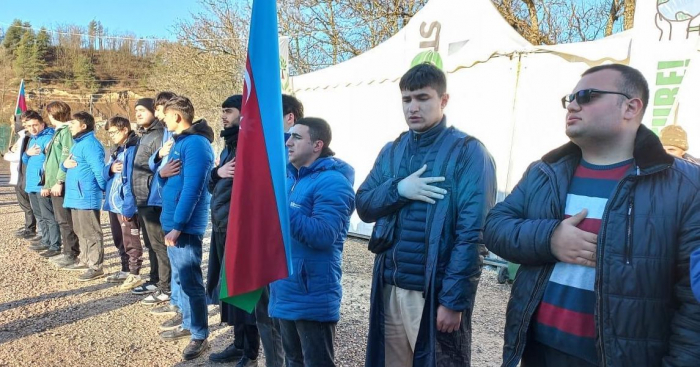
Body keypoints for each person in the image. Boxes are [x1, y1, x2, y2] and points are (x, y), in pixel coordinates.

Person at [484, 64, 700, 367]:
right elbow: (494, 227)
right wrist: (550, 239)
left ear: (630, 107)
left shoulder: (686, 186)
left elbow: (695, 306)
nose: (573, 104)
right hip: (539, 352)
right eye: (570, 98)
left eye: (587, 96)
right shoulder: (545, 172)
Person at [356, 63, 497, 367]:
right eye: (406, 100)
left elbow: (474, 233)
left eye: (422, 98)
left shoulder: (468, 152)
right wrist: (398, 190)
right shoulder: (392, 151)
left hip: (432, 294)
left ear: (443, 100)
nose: (413, 107)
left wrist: (454, 300)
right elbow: (364, 204)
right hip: (389, 286)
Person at [268, 117, 355, 367]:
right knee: (293, 360)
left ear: (317, 145)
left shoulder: (333, 182)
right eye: (289, 136)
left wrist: (281, 210)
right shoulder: (289, 179)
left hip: (312, 294)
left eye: (296, 137)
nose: (288, 142)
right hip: (284, 288)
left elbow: (324, 235)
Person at [156, 96, 215, 361]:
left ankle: (200, 335)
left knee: (191, 282)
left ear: (177, 117)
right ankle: (189, 323)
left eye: (166, 115)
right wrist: (160, 173)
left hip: (185, 227)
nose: (162, 119)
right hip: (171, 223)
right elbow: (165, 177)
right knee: (181, 278)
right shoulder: (179, 143)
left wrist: (178, 226)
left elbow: (193, 189)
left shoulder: (197, 145)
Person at [204, 95, 260, 367]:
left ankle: (250, 352)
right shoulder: (228, 145)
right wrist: (218, 172)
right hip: (222, 227)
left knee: (244, 290)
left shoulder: (249, 145)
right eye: (222, 110)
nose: (223, 115)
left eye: (228, 111)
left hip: (240, 230)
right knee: (230, 290)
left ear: (243, 113)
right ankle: (239, 344)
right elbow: (212, 185)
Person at [254, 94, 305, 367]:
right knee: (265, 313)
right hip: (262, 244)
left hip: (287, 253)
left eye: (272, 115)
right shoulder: (262, 149)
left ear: (289, 118)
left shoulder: (301, 155)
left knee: (288, 322)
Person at [130, 97, 172, 305]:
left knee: (159, 244)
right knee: (151, 243)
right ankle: (156, 279)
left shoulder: (158, 135)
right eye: (136, 110)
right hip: (142, 196)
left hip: (152, 197)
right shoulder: (144, 136)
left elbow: (160, 166)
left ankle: (166, 286)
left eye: (143, 110)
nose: (138, 113)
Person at [62, 111, 107, 281]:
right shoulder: (77, 143)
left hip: (86, 195)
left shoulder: (90, 144)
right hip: (75, 196)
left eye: (72, 124)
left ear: (83, 125)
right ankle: (85, 259)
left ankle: (96, 266)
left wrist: (103, 190)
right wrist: (64, 165)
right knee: (80, 230)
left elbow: (99, 170)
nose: (70, 127)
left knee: (92, 232)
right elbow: (68, 163)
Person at [102, 116, 144, 290]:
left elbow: (134, 179)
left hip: (126, 204)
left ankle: (135, 273)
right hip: (113, 203)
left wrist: (129, 206)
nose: (111, 136)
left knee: (131, 239)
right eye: (109, 133)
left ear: (125, 129)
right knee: (118, 238)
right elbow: (104, 174)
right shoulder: (116, 150)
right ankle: (125, 269)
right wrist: (110, 169)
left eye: (113, 132)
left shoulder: (135, 148)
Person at [43, 101, 81, 269]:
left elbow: (66, 158)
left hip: (60, 183)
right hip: (52, 183)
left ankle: (71, 254)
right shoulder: (58, 132)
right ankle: (67, 252)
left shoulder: (65, 132)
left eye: (49, 113)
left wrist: (59, 181)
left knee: (65, 220)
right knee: (61, 219)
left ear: (53, 114)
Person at [21, 110, 61, 257]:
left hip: (42, 185)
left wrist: (47, 184)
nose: (33, 128)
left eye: (35, 125)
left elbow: (52, 163)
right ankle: (45, 240)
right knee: (39, 215)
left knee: (49, 216)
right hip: (31, 184)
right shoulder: (32, 139)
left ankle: (55, 245)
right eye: (29, 126)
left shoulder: (49, 138)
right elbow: (25, 161)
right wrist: (27, 154)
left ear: (42, 124)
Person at [5, 118, 37, 240]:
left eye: (14, 124)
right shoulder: (21, 137)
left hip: (22, 175)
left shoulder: (26, 137)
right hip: (18, 175)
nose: (12, 127)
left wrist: (7, 155)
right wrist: (10, 150)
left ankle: (30, 228)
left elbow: (18, 156)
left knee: (27, 204)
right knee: (24, 204)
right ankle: (28, 226)